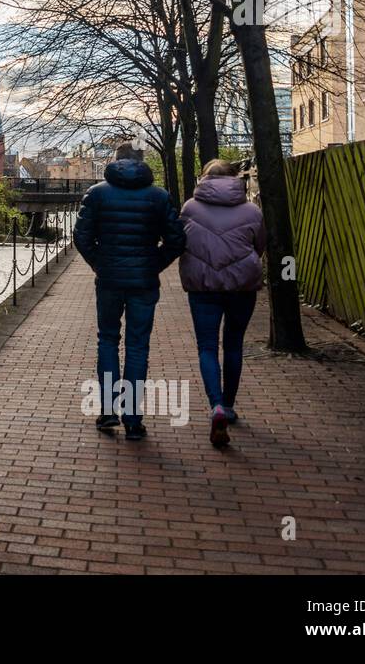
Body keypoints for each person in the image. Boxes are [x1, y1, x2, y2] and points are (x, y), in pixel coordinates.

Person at [74, 142, 185, 440]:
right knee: (138, 346)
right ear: (142, 161)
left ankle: (109, 411)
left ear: (116, 160)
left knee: (108, 340)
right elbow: (176, 240)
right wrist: (153, 264)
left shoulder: (97, 194)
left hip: (109, 281)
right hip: (143, 283)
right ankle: (133, 420)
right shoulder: (159, 196)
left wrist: (100, 263)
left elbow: (81, 237)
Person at [178, 160, 267, 448]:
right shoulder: (252, 210)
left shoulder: (190, 207)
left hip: (203, 287)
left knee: (207, 346)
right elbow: (260, 245)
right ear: (235, 178)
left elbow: (182, 242)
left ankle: (215, 404)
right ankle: (228, 406)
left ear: (204, 178)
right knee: (234, 344)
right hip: (242, 286)